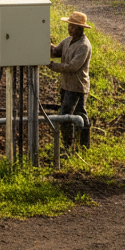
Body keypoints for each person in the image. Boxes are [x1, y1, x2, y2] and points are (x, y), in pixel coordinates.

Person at [49, 10, 92, 150]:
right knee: (76, 115)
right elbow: (56, 51)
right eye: (69, 26)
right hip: (67, 85)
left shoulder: (84, 46)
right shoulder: (68, 41)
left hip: (77, 87)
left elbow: (72, 67)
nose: (70, 28)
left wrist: (52, 66)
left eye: (73, 27)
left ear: (80, 29)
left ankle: (74, 145)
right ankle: (75, 145)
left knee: (68, 115)